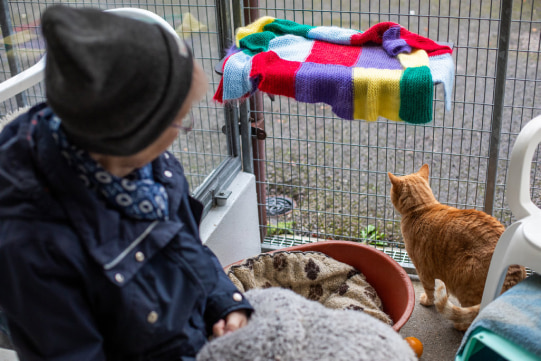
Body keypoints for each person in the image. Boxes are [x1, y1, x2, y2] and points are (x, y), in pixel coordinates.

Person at [0, 5, 252, 361]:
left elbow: (184, 245)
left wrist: (225, 302)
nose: (187, 129)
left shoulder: (150, 167)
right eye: (180, 122)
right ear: (132, 135)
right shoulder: (35, 247)